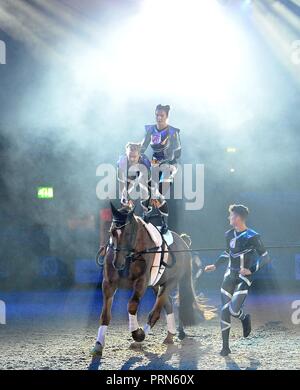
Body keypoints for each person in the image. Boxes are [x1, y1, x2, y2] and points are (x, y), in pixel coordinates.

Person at [205, 204, 271, 356]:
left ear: (238, 217)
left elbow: (266, 257)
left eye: (231, 215)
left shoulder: (253, 236)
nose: (229, 217)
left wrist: (251, 269)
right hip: (229, 275)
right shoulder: (228, 234)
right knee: (224, 310)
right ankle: (225, 347)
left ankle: (243, 317)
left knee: (233, 309)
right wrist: (215, 265)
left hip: (244, 277)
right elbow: (227, 253)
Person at [140, 104, 181, 234]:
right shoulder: (150, 130)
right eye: (157, 115)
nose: (159, 118)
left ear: (167, 117)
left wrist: (166, 160)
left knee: (160, 192)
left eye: (161, 115)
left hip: (169, 164)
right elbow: (143, 146)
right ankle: (146, 216)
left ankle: (164, 223)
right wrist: (136, 154)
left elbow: (178, 153)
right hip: (155, 163)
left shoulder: (173, 132)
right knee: (148, 190)